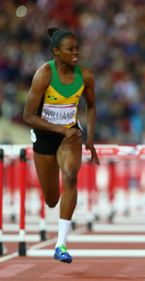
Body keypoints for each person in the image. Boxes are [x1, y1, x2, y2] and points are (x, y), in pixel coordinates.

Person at [23, 27, 100, 263]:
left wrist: (89, 137)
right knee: (52, 199)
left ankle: (61, 245)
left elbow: (92, 106)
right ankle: (53, 203)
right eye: (70, 49)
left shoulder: (85, 76)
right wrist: (60, 130)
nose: (76, 53)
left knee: (70, 176)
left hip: (71, 135)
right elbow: (28, 116)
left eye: (77, 48)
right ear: (57, 52)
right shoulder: (44, 75)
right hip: (46, 135)